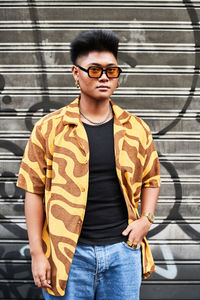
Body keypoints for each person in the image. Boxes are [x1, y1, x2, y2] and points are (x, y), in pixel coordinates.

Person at [17, 30, 161, 300]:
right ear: (76, 72)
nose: (104, 77)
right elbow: (33, 191)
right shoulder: (50, 128)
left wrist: (146, 220)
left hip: (123, 253)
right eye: (94, 70)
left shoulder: (136, 129)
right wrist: (37, 253)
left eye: (112, 70)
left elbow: (152, 180)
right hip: (68, 256)